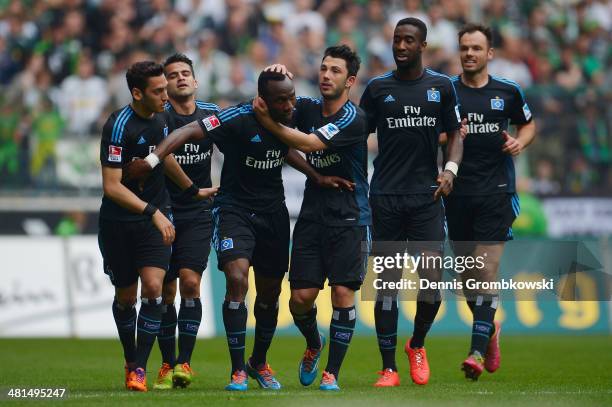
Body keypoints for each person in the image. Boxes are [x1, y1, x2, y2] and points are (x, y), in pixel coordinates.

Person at [122, 70, 354, 391]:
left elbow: (286, 146)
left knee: (270, 293)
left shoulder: (292, 113)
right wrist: (151, 160)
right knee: (236, 279)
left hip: (274, 213)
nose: (289, 106)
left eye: (291, 97)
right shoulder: (235, 117)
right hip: (234, 210)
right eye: (281, 100)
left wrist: (316, 176)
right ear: (262, 100)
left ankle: (258, 362)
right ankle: (237, 371)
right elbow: (190, 130)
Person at [254, 45, 369, 391]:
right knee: (300, 299)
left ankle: (332, 372)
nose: (325, 75)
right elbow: (271, 110)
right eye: (323, 68)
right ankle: (314, 343)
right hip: (313, 214)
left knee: (342, 296)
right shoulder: (304, 108)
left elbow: (309, 144)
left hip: (350, 215)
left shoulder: (353, 118)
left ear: (349, 81)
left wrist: (266, 121)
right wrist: (273, 76)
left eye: (335, 71)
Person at [359, 17, 463, 387]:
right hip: (385, 198)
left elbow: (455, 134)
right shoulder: (376, 88)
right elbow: (357, 135)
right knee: (386, 283)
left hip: (426, 197)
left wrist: (449, 170)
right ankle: (388, 367)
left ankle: (416, 344)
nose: (400, 46)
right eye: (396, 40)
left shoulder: (441, 87)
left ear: (422, 45)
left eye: (408, 41)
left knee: (432, 280)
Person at [98, 61, 215, 392]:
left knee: (153, 287)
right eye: (159, 91)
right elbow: (112, 186)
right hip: (120, 221)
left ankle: (139, 369)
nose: (166, 95)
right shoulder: (118, 126)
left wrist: (192, 190)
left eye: (166, 88)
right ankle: (130, 358)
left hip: (156, 216)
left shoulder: (163, 117)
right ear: (137, 93)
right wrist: (151, 211)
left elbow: (166, 157)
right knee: (125, 296)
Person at [445, 23, 535, 380]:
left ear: (489, 54)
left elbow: (528, 125)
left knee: (485, 270)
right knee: (469, 278)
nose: (470, 54)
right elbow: (433, 135)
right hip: (456, 195)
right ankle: (491, 328)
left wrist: (520, 143)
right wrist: (448, 137)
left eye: (476, 48)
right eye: (465, 48)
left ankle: (476, 352)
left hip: (496, 193)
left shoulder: (508, 91)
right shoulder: (445, 91)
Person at [152, 53, 220, 390]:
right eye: (173, 74)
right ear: (164, 84)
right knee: (166, 289)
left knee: (190, 283)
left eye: (185, 73)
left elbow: (237, 143)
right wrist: (193, 189)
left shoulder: (211, 115)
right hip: (163, 210)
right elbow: (161, 159)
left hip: (197, 213)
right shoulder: (159, 118)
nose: (180, 78)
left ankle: (185, 364)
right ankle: (166, 363)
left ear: (195, 80)